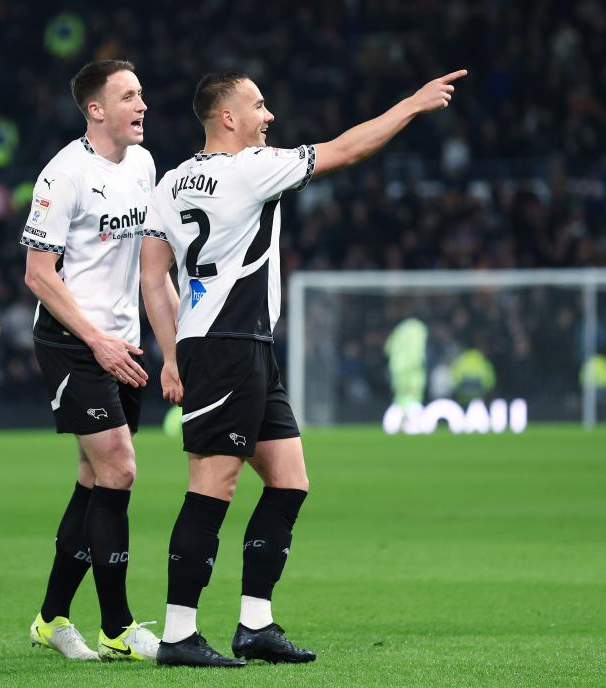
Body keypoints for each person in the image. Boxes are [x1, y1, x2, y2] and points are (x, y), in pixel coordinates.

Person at [141, 68, 467, 667]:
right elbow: (347, 149)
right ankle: (178, 634)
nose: (269, 117)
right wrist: (413, 105)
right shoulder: (250, 169)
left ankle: (254, 624)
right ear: (227, 117)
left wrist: (171, 350)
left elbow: (152, 272)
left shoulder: (171, 182)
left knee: (290, 480)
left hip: (237, 344)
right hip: (226, 343)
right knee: (213, 485)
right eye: (258, 106)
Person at [21, 59, 165, 663]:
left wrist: (170, 349)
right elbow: (38, 274)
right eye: (129, 96)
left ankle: (53, 619)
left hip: (122, 344)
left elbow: (150, 269)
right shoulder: (63, 176)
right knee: (121, 470)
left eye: (142, 94)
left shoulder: (144, 163)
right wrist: (96, 340)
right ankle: (118, 627)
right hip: (70, 342)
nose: (142, 105)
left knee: (94, 481)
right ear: (96, 109)